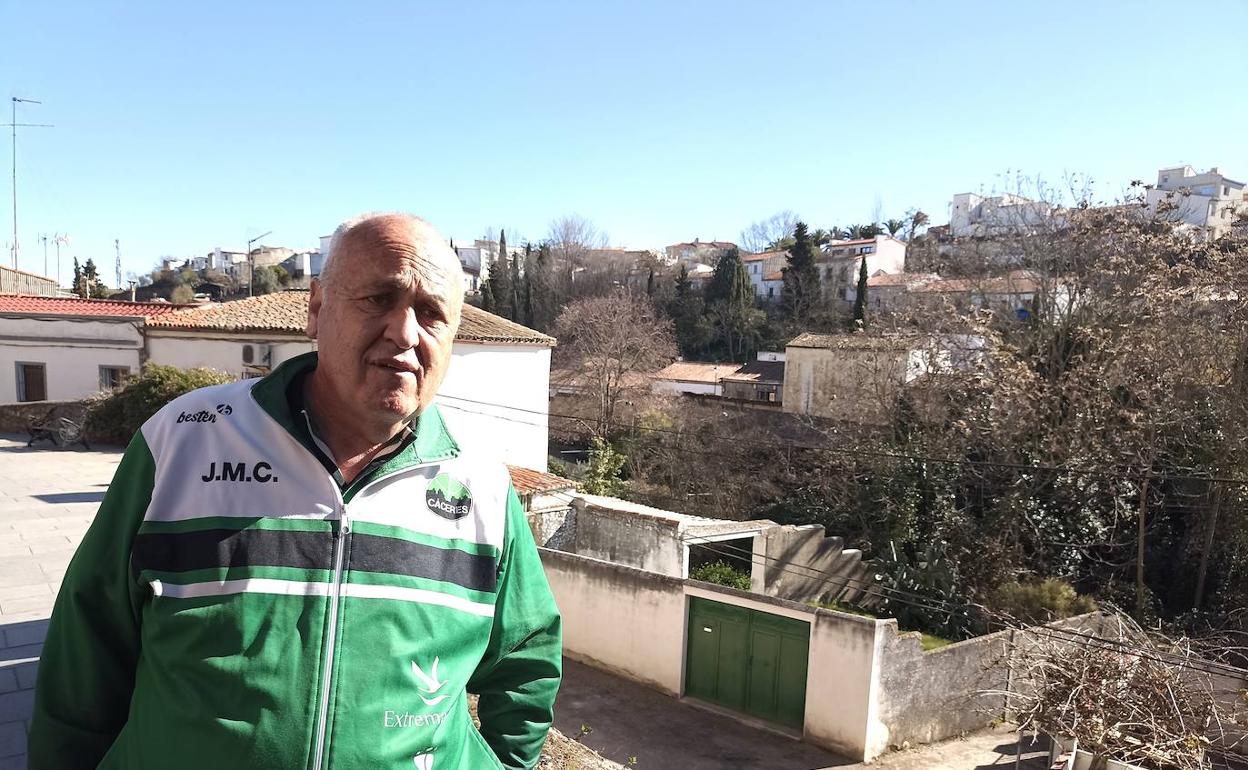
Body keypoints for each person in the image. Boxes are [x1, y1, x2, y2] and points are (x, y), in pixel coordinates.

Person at [28, 213, 563, 769]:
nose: (405, 334)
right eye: (379, 299)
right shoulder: (182, 442)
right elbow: (85, 652)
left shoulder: (483, 486)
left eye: (432, 315)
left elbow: (526, 657)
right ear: (316, 309)